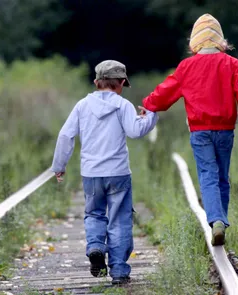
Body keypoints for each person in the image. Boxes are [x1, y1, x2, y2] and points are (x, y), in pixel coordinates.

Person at [141, 14, 238, 246]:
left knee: (208, 176)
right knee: (222, 178)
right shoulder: (231, 64)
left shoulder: (186, 67)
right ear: (220, 41)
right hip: (225, 131)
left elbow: (165, 94)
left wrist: (147, 105)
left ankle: (215, 220)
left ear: (194, 42)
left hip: (200, 132)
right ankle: (220, 222)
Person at [50, 60, 158, 284]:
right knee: (119, 220)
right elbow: (136, 131)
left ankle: (96, 246)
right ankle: (119, 272)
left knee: (94, 214)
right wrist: (151, 115)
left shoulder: (82, 106)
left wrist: (59, 166)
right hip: (118, 172)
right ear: (120, 83)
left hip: (91, 173)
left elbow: (65, 136)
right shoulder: (123, 105)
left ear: (96, 82)